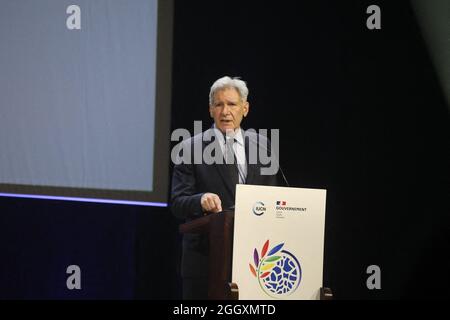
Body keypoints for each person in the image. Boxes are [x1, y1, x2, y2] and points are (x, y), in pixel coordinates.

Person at [170, 76, 282, 299]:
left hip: (254, 261)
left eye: (232, 104)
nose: (225, 111)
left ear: (245, 108)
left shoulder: (263, 146)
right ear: (211, 110)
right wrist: (200, 200)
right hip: (206, 261)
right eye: (219, 104)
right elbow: (177, 203)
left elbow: (271, 197)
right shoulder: (190, 148)